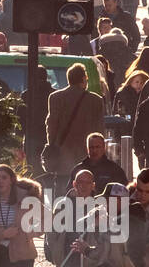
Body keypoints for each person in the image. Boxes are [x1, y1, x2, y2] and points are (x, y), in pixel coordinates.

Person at [43, 63, 105, 196]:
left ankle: (61, 215)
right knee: (88, 193)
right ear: (83, 79)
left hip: (62, 155)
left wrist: (53, 145)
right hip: (87, 156)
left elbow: (51, 125)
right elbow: (99, 130)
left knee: (61, 194)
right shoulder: (95, 100)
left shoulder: (55, 97)